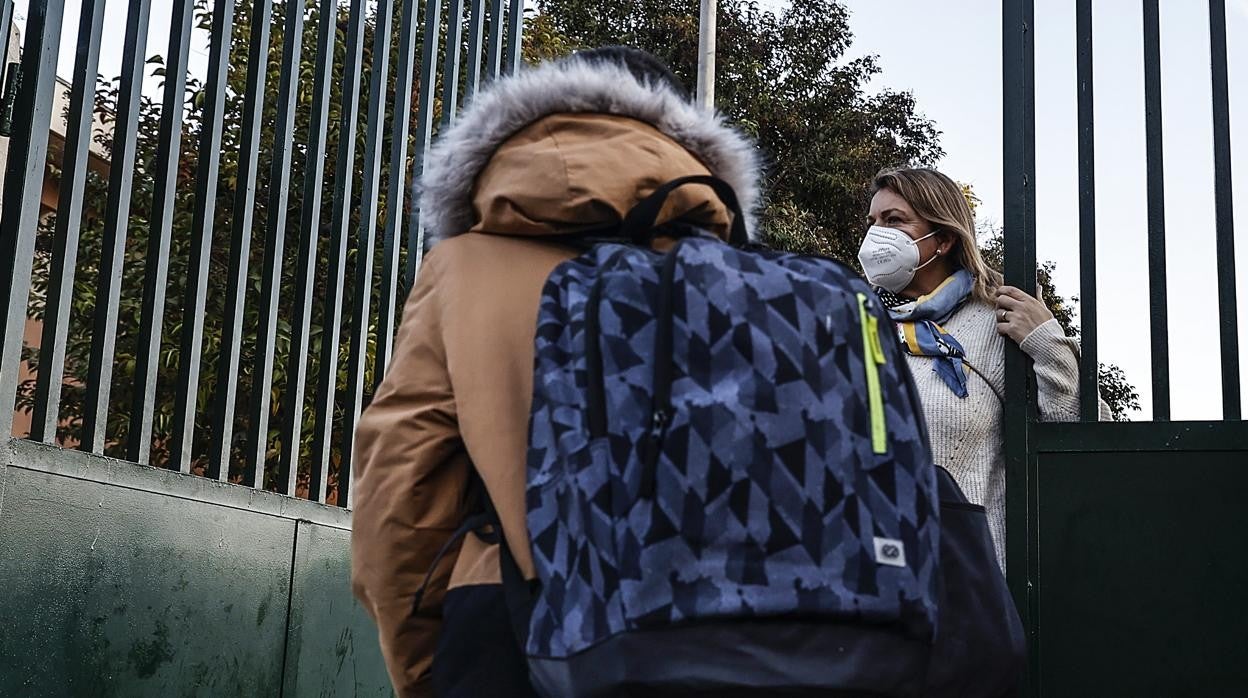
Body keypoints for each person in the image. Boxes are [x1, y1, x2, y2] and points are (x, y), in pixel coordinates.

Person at [350, 46, 762, 697]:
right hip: (730, 631)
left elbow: (403, 483)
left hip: (513, 623)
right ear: (680, 137)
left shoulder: (465, 267)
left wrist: (425, 670)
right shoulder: (745, 280)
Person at [858, 167, 1109, 570]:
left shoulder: (996, 322)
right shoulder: (858, 327)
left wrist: (1046, 343)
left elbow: (1083, 437)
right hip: (865, 573)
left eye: (894, 221)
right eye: (873, 222)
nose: (876, 236)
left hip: (960, 578)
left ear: (943, 239)